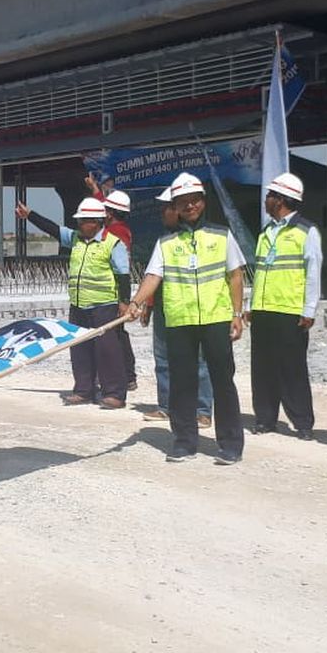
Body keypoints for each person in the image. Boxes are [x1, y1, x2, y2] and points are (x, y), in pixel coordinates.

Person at [127, 172, 247, 465]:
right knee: (182, 383)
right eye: (183, 202)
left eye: (194, 201)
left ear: (203, 203)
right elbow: (153, 276)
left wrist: (236, 313)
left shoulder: (221, 235)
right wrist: (136, 302)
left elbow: (235, 275)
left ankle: (230, 444)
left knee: (223, 381)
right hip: (180, 322)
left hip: (216, 318)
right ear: (175, 207)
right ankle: (183, 442)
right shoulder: (166, 242)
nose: (190, 206)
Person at [15, 196, 131, 408]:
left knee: (107, 352)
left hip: (104, 306)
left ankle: (114, 393)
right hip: (78, 305)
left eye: (83, 221)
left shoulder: (113, 244)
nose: (79, 225)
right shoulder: (76, 238)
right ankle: (83, 390)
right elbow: (53, 229)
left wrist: (124, 303)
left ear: (97, 222)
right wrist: (30, 215)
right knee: (79, 350)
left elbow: (123, 275)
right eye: (79, 221)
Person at [245, 172, 323, 440]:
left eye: (269, 195)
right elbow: (261, 273)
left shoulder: (306, 231)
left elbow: (313, 272)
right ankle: (265, 418)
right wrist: (251, 304)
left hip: (290, 312)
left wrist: (309, 310)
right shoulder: (266, 232)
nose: (266, 199)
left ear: (280, 200)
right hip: (264, 310)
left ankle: (302, 422)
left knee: (292, 368)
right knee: (262, 367)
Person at [141, 184, 214, 428]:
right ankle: (166, 406)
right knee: (163, 359)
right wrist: (146, 304)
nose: (163, 213)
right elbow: (153, 277)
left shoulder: (206, 238)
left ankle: (203, 410)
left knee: (200, 362)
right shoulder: (165, 242)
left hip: (195, 311)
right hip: (166, 309)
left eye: (166, 208)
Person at [85, 174, 138, 392]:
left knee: (116, 335)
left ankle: (126, 376)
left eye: (105, 210)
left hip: (114, 293)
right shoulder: (119, 228)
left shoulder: (116, 234)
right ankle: (126, 375)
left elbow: (121, 272)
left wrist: (122, 300)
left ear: (111, 213)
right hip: (113, 293)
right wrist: (95, 190)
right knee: (116, 334)